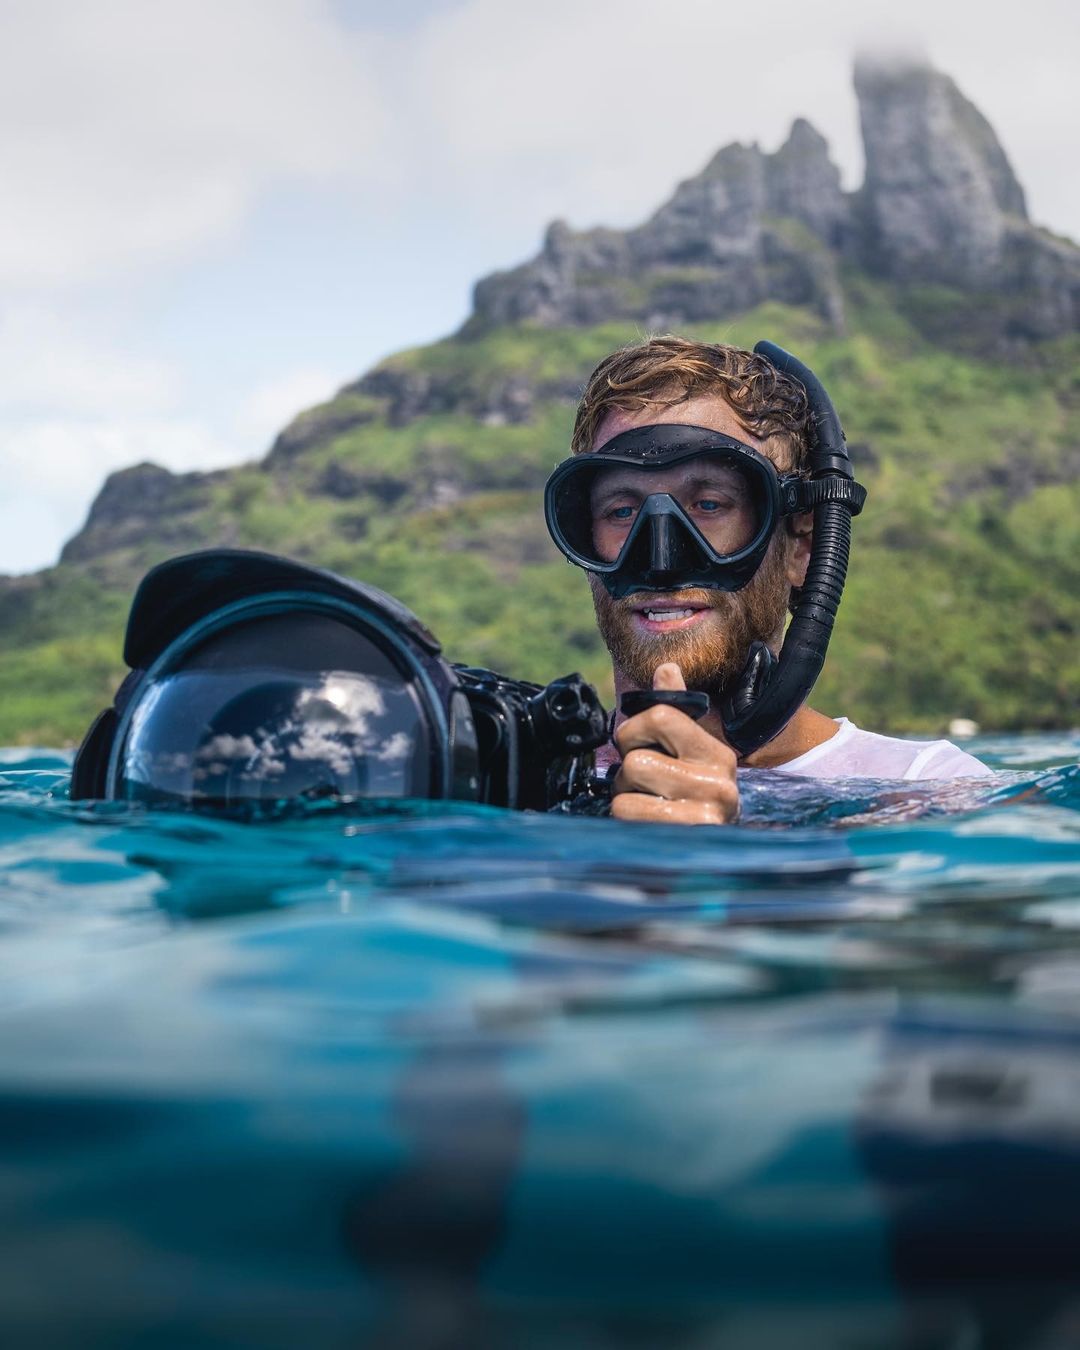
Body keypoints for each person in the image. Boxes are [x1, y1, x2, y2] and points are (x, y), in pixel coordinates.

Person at [545, 336, 990, 825]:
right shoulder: (525, 781)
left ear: (802, 547)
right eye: (622, 511)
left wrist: (739, 838)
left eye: (709, 505)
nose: (661, 560)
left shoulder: (929, 790)